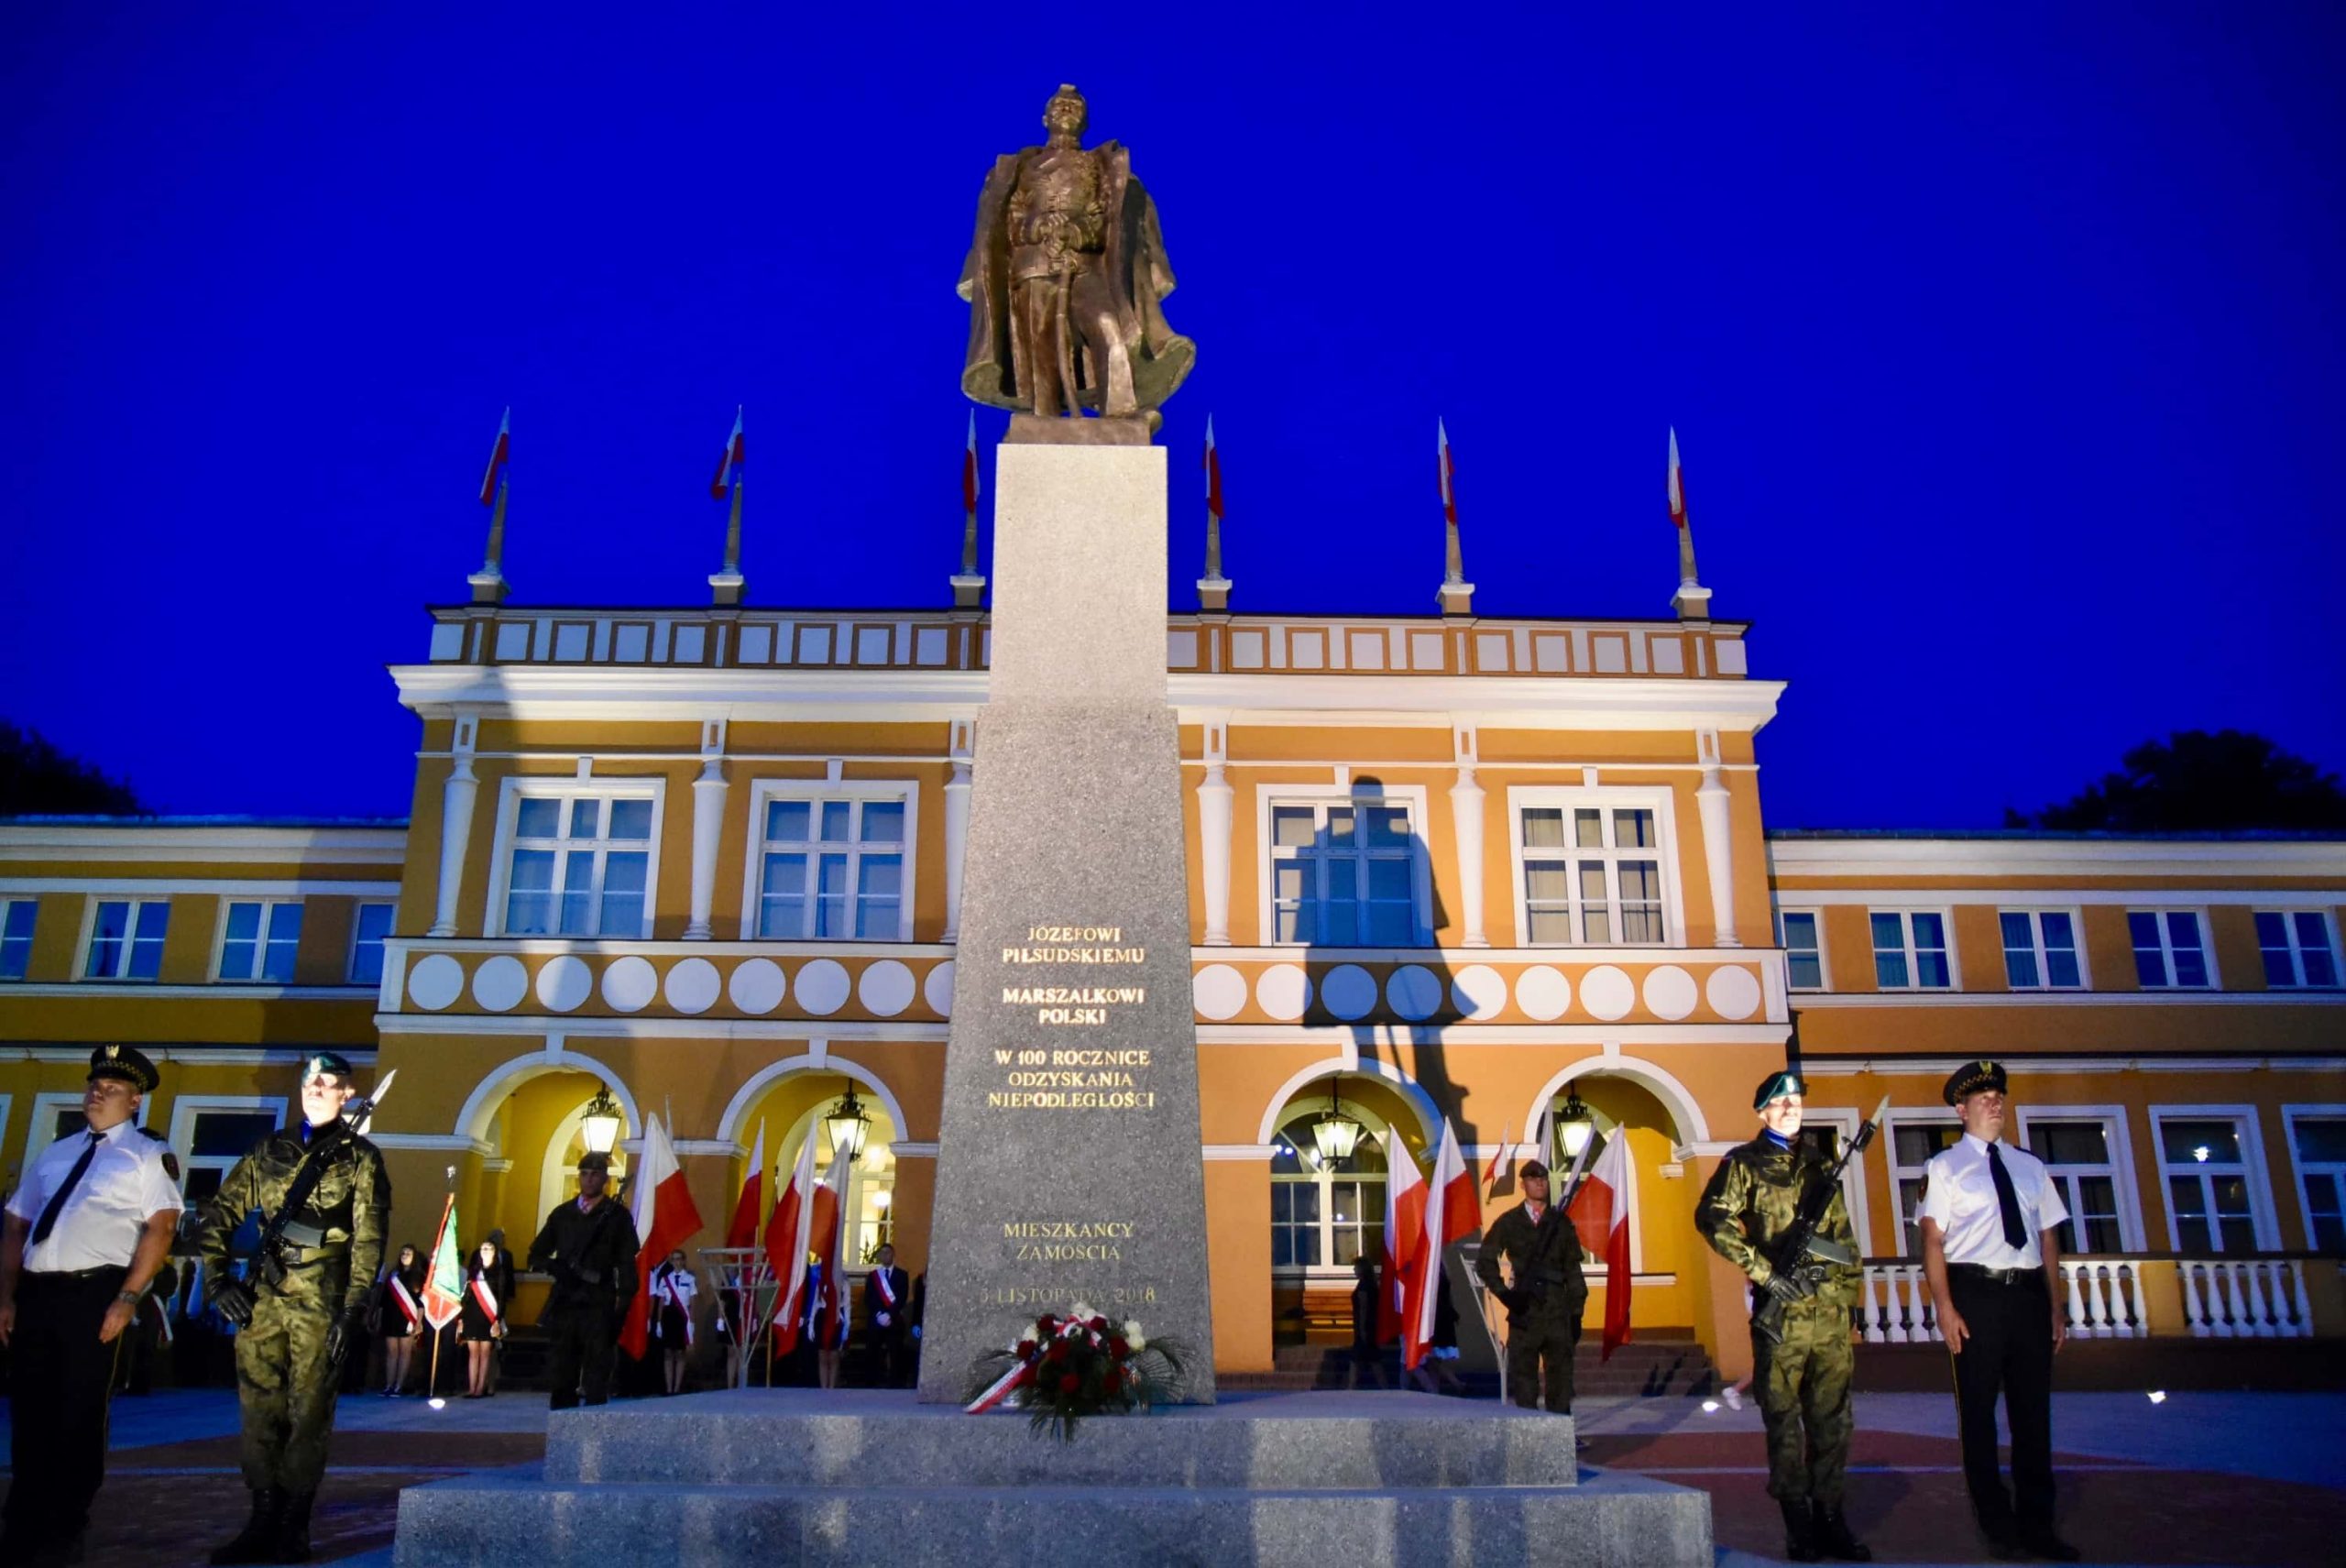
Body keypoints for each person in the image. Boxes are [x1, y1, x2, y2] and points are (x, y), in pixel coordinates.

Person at [197, 1050, 389, 1566]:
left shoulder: (361, 1159)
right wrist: (217, 1282)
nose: (315, 1087)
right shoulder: (269, 1150)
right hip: (263, 1297)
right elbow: (217, 1214)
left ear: (347, 1093)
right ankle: (260, 1518)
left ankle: (292, 1526)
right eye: (309, 1080)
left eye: (327, 1082)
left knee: (308, 1415)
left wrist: (353, 1310)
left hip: (321, 1300)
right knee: (260, 1410)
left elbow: (369, 1242)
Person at [0, 1045, 182, 1566]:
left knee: (78, 1409)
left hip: (93, 1293)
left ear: (135, 1102)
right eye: (93, 1087)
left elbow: (162, 1225)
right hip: (38, 1293)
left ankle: (65, 1521)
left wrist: (128, 1296)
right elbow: (16, 1223)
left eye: (110, 1090)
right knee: (30, 1410)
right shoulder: (56, 1152)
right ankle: (23, 1519)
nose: (96, 1095)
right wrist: (7, 1296)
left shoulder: (148, 1153)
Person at [1695, 1069, 1869, 1563]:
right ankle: (1798, 1523)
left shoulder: (1821, 1166)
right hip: (1782, 1317)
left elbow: (1843, 1241)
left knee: (1834, 1420)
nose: (1791, 1107)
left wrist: (1848, 1300)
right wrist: (1764, 1272)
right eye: (1780, 1101)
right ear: (1762, 1112)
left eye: (1796, 1100)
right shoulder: (1743, 1165)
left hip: (1828, 1313)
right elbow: (1712, 1218)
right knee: (1785, 1421)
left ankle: (1831, 1517)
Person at [1920, 1061, 2080, 1563]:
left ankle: (2038, 1526)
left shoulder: (2031, 1166)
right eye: (1983, 1097)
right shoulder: (1945, 1167)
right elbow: (1933, 1239)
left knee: (2033, 1416)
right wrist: (1944, 1307)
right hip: (1976, 1295)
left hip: (2028, 1295)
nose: (1995, 1102)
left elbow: (2049, 1238)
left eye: (1999, 1095)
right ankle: (1998, 1525)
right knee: (1980, 1416)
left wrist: (2056, 1308)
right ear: (1960, 1110)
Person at [958, 84, 1194, 422]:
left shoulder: (1097, 165)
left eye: (1074, 106)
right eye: (1059, 105)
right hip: (1034, 266)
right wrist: (1037, 227)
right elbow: (1009, 220)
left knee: (1108, 328)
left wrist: (1075, 232)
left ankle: (1120, 412)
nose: (1066, 109)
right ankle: (1045, 420)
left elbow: (1106, 218)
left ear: (1084, 120)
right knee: (1041, 348)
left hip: (1084, 268)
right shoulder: (1024, 167)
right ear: (1045, 117)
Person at [527, 1149, 640, 1409]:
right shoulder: (562, 1214)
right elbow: (537, 1253)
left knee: (597, 1370)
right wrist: (559, 1268)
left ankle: (592, 1428)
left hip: (598, 1301)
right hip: (566, 1300)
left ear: (605, 1179)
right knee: (562, 1369)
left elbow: (626, 1262)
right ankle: (562, 1424)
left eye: (595, 1174)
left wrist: (623, 1301)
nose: (589, 1179)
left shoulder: (617, 1217)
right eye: (585, 1174)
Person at [1474, 1157, 1586, 1415]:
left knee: (1560, 1380)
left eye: (1544, 1179)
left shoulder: (1561, 1222)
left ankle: (1559, 1434)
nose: (1540, 1184)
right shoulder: (1510, 1221)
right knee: (1524, 1380)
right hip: (1525, 1310)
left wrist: (1577, 1311)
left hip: (1557, 1310)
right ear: (1523, 1184)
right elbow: (1485, 1260)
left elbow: (1573, 1270)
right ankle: (1530, 1437)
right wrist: (1505, 1295)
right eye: (1533, 1180)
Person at [374, 1243, 425, 1396]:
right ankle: (389, 1385)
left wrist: (418, 1322)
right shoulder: (393, 1275)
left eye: (408, 1253)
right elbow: (384, 1299)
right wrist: (378, 1317)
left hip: (407, 1318)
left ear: (414, 1257)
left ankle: (399, 1386)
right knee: (391, 1352)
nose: (405, 1256)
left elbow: (420, 1303)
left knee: (405, 1353)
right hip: (391, 1317)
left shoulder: (419, 1276)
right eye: (403, 1253)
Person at [458, 1240, 505, 1399]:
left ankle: (480, 1388)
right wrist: (461, 1317)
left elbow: (501, 1297)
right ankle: (471, 1388)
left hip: (489, 1317)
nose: (485, 1250)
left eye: (489, 1248)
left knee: (485, 1353)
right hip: (472, 1315)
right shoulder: (473, 1272)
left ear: (494, 1252)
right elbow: (466, 1296)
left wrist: (497, 1320)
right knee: (473, 1353)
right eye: (483, 1248)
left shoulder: (498, 1272)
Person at [648, 1249, 696, 1395]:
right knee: (668, 1352)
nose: (677, 1262)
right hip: (668, 1316)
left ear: (684, 1260)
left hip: (682, 1316)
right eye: (674, 1259)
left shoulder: (690, 1279)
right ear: (671, 1261)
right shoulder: (665, 1279)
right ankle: (669, 1388)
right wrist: (659, 1323)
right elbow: (661, 1301)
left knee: (680, 1352)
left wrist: (691, 1323)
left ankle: (677, 1388)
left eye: (680, 1259)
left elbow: (692, 1302)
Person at [864, 1244, 910, 1388]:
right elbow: (869, 1298)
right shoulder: (873, 1276)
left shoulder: (902, 1275)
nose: (885, 1256)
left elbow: (902, 1297)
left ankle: (895, 1383)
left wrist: (890, 1314)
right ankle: (871, 1381)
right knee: (873, 1352)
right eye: (882, 1253)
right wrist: (878, 1314)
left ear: (893, 1254)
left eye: (888, 1253)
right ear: (879, 1256)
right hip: (876, 1319)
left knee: (896, 1351)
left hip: (894, 1319)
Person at [479, 1229, 516, 1394]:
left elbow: (510, 1275)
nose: (502, 1240)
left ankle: (490, 1383)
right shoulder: (478, 1255)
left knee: (494, 1345)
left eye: (503, 1238)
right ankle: (479, 1383)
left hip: (497, 1304)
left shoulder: (507, 1255)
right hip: (480, 1306)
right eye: (498, 1238)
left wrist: (510, 1294)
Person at [1346, 1255, 1384, 1390]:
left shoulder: (1364, 1286)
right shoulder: (1371, 1284)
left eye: (1356, 1267)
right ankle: (1352, 1385)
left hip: (1365, 1326)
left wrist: (1362, 1328)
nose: (1354, 1270)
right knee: (1368, 1358)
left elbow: (1363, 1307)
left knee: (1364, 1357)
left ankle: (1352, 1386)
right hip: (1370, 1325)